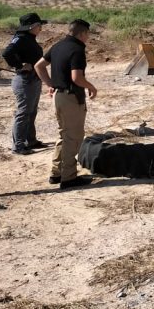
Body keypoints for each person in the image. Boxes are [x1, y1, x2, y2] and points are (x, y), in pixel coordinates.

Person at [35, 19, 97, 189]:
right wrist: (91, 87)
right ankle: (68, 177)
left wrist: (51, 84)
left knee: (63, 135)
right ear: (82, 33)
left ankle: (56, 173)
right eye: (87, 34)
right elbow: (76, 77)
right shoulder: (77, 49)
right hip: (71, 98)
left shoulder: (57, 46)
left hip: (58, 97)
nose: (88, 37)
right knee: (73, 137)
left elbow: (39, 66)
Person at [1, 12, 49, 154]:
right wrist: (19, 65)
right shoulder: (20, 38)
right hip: (25, 80)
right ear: (30, 27)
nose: (41, 28)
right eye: (38, 25)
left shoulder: (29, 38)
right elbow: (7, 53)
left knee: (31, 112)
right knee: (24, 113)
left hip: (33, 79)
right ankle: (18, 146)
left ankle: (30, 141)